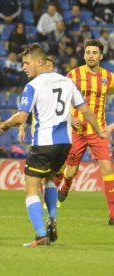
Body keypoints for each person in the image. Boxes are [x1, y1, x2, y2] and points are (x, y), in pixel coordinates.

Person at [0, 43, 105, 247]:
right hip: (65, 143)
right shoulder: (67, 82)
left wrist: (5, 124)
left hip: (43, 143)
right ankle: (52, 219)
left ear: (39, 62)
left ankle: (40, 235)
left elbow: (22, 117)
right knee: (49, 180)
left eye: (26, 63)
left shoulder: (34, 86)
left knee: (30, 189)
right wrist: (100, 131)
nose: (24, 67)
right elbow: (86, 110)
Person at [57, 39, 114, 226]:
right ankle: (65, 184)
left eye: (94, 52)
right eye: (88, 52)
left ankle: (113, 214)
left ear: (101, 56)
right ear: (84, 55)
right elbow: (60, 101)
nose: (90, 55)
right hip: (77, 130)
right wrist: (69, 117)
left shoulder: (109, 77)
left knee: (107, 169)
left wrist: (111, 127)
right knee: (71, 171)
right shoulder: (73, 75)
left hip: (99, 131)